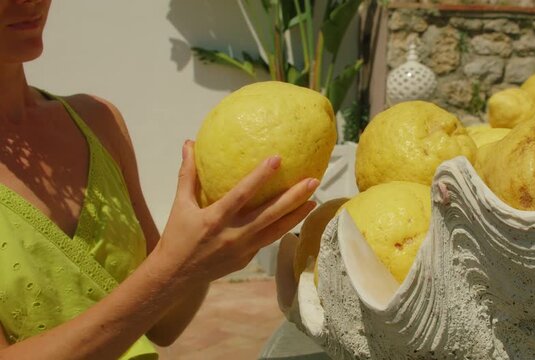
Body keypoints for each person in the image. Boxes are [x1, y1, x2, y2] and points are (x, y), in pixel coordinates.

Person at [0, 0, 319, 358]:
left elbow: (164, 322)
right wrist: (174, 270)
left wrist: (224, 217)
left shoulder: (97, 122)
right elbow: (165, 279)